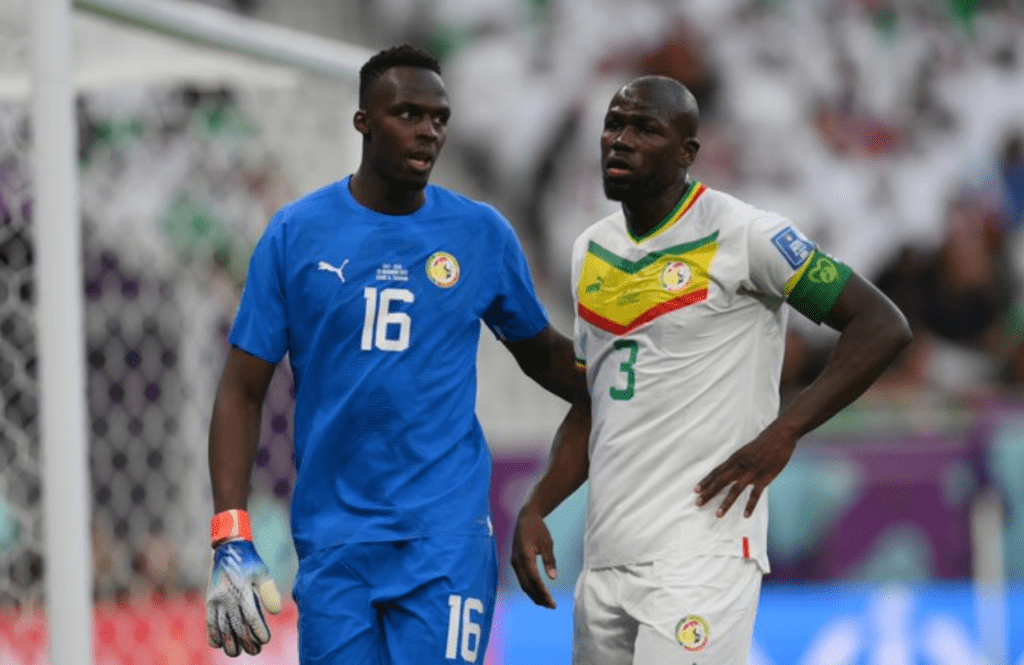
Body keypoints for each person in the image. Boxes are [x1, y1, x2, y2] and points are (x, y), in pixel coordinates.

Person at [204, 44, 585, 664]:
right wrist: (230, 532)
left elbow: (541, 355)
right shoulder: (295, 235)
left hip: (445, 539)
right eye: (408, 113)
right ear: (363, 122)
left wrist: (629, 380)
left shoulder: (480, 233)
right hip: (334, 544)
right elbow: (240, 389)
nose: (428, 130)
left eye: (439, 117)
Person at [511, 76, 911, 663]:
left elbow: (880, 324)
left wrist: (786, 430)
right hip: (605, 558)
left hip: (700, 553)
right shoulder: (591, 250)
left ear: (687, 153)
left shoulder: (749, 234)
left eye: (645, 128)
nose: (620, 140)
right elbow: (599, 398)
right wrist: (539, 503)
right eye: (613, 124)